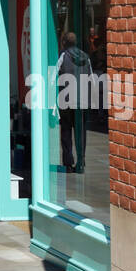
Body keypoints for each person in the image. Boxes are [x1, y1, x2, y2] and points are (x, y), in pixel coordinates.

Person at [55, 32, 91, 173]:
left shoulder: (63, 56)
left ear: (64, 42)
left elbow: (53, 76)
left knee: (66, 132)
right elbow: (92, 80)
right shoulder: (86, 57)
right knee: (81, 132)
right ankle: (81, 162)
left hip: (66, 100)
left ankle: (68, 164)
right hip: (82, 101)